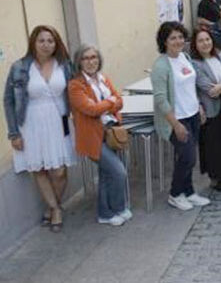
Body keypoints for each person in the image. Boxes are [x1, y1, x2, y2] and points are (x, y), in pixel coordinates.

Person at [5, 26, 75, 232]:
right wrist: (14, 133)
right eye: (41, 40)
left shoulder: (64, 65)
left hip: (59, 121)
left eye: (50, 41)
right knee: (39, 168)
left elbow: (76, 90)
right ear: (33, 43)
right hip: (30, 123)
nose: (46, 45)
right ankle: (55, 209)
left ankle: (52, 206)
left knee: (60, 171)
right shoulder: (19, 67)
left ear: (56, 44)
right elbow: (8, 100)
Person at [151, 22, 211, 211]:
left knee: (190, 157)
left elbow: (190, 86)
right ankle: (175, 194)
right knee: (187, 157)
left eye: (180, 37)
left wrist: (199, 106)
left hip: (192, 114)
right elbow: (160, 99)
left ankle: (189, 192)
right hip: (177, 119)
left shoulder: (185, 57)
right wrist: (175, 124)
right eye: (172, 38)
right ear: (164, 42)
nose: (177, 41)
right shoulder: (161, 65)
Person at [69, 44, 129, 226]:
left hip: (111, 132)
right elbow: (91, 110)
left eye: (94, 57)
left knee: (106, 174)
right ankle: (115, 207)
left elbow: (120, 100)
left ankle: (107, 213)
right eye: (86, 58)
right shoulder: (75, 85)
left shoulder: (103, 79)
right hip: (93, 136)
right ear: (79, 62)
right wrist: (110, 102)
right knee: (118, 172)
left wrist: (109, 103)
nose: (90, 61)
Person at [190, 29, 221, 192]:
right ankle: (217, 179)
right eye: (200, 41)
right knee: (214, 145)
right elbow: (209, 89)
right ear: (195, 44)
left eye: (207, 39)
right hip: (211, 108)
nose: (205, 43)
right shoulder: (195, 63)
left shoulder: (220, 55)